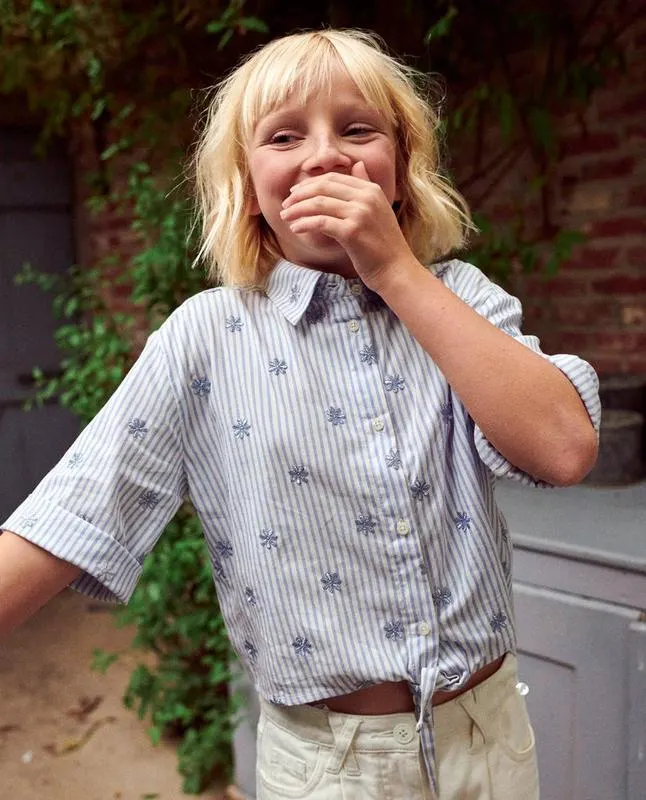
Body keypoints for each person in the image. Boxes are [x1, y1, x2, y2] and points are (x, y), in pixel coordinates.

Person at [0, 28, 599, 800]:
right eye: (285, 136)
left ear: (400, 171)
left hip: (488, 741)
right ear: (249, 187)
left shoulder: (460, 299)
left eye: (358, 130)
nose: (324, 155)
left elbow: (563, 447)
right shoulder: (207, 338)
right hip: (328, 767)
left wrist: (393, 270)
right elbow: (71, 514)